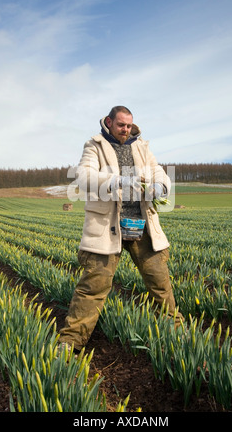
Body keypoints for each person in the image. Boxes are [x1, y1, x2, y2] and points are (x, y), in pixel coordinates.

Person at [59, 106, 183, 353]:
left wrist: (161, 187)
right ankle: (70, 342)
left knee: (160, 282)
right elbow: (83, 176)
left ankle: (177, 332)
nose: (126, 129)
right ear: (109, 122)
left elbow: (159, 171)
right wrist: (116, 181)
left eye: (129, 125)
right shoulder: (94, 145)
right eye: (121, 125)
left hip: (143, 224)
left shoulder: (141, 146)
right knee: (93, 287)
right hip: (107, 226)